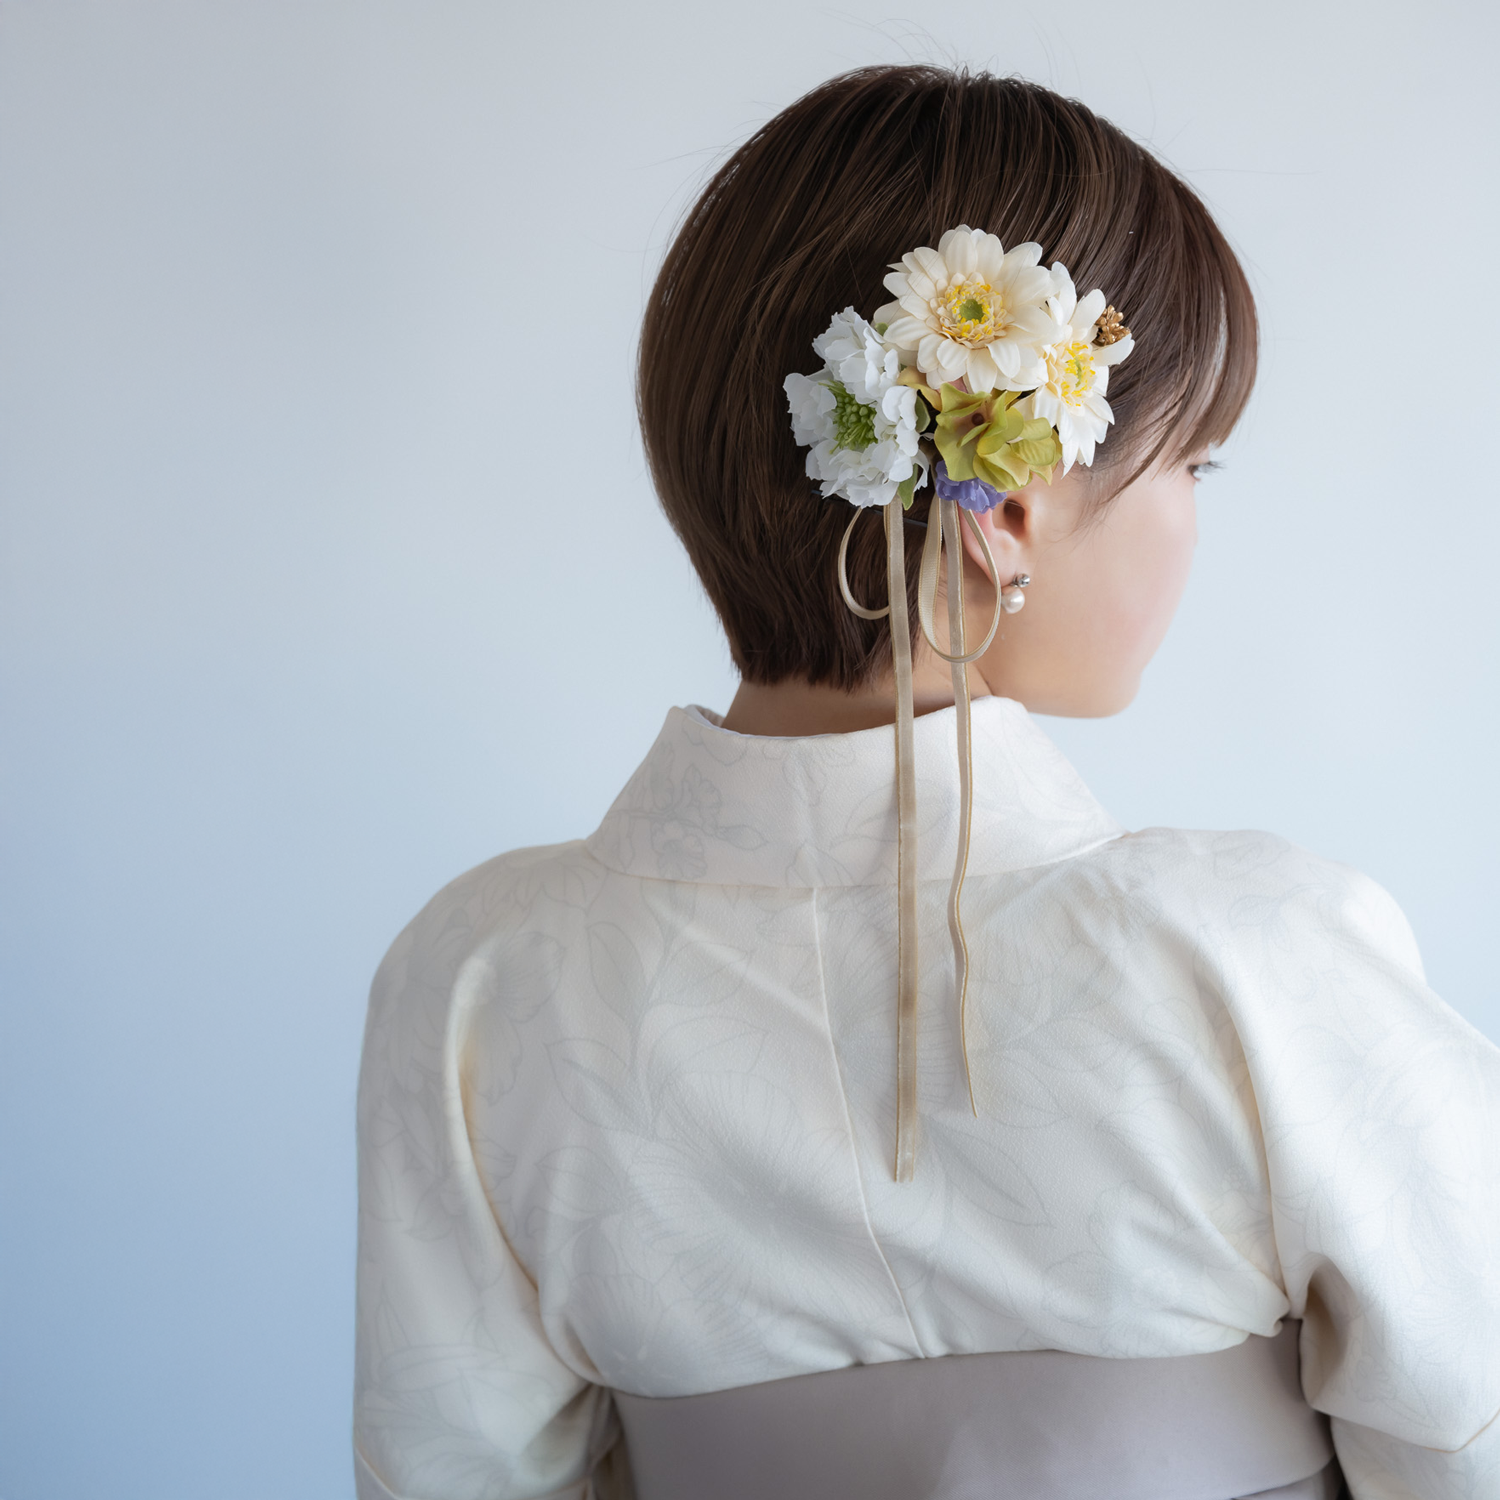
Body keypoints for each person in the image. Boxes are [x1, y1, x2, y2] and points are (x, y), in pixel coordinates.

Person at [352, 66, 1500, 1500]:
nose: (1197, 520)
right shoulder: (1255, 957)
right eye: (1193, 464)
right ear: (1008, 506)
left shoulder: (480, 984)